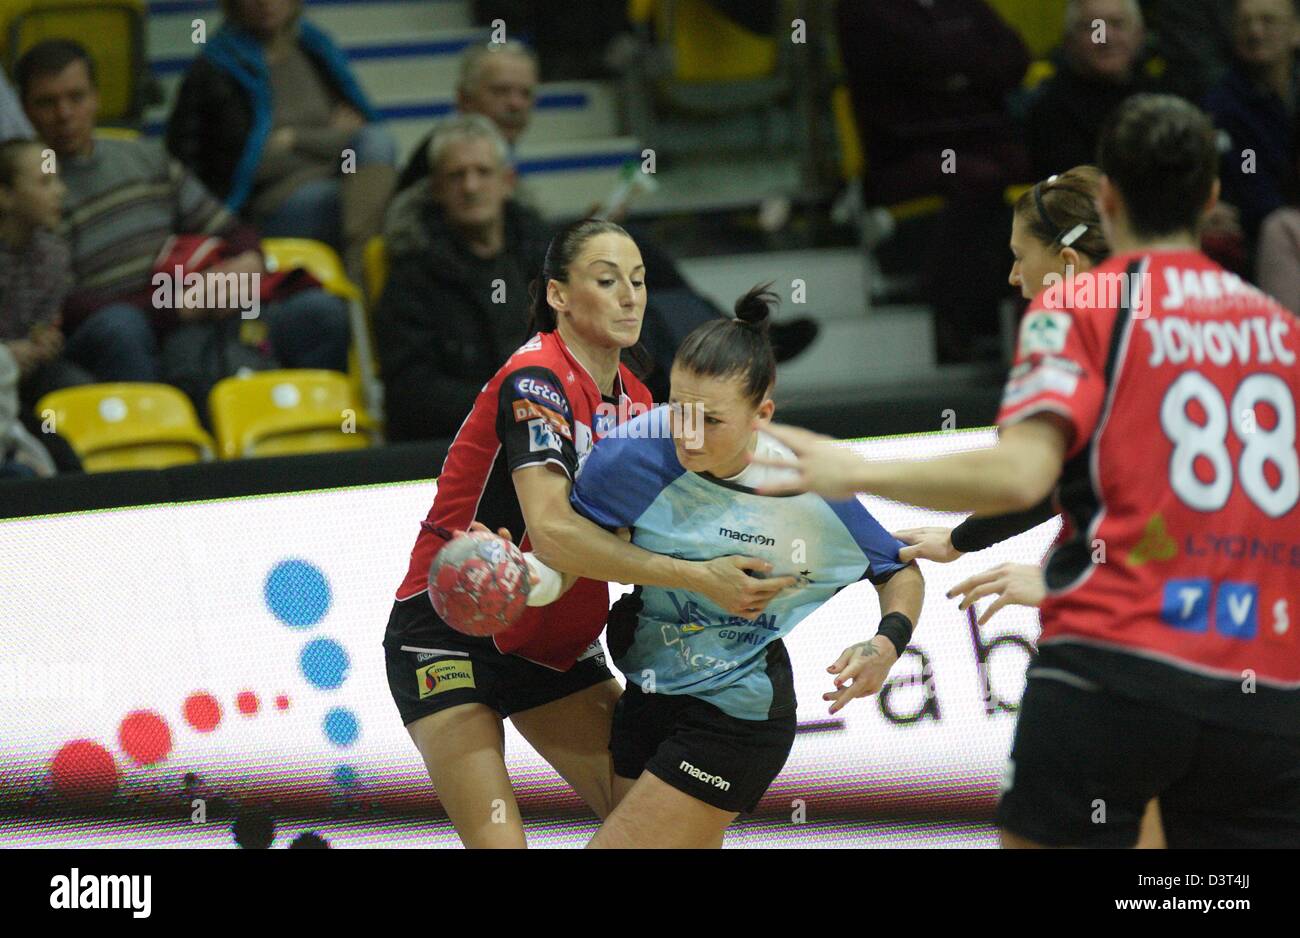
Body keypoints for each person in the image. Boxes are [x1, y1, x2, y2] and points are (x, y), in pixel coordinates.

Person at [752, 94, 1300, 848]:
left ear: (1109, 197)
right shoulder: (1277, 327)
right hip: (1266, 685)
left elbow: (1021, 473)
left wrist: (851, 464)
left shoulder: (1083, 304)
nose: (1015, 277)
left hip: (1120, 671)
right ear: (1211, 197)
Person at [382, 218, 796, 848]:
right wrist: (692, 577)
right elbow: (552, 534)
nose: (630, 296)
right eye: (607, 281)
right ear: (558, 295)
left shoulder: (635, 396)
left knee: (653, 827)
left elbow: (650, 524)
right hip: (449, 634)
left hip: (549, 644)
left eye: (638, 280)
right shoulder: (535, 381)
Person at [562, 286, 924, 848]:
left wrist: (886, 644)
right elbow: (571, 545)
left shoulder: (807, 489)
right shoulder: (628, 457)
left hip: (737, 713)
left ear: (762, 415)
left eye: (710, 419)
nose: (686, 431)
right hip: (648, 690)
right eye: (677, 407)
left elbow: (897, 568)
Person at [894, 164, 1165, 848]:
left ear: (1068, 262)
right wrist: (963, 541)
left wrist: (1066, 581)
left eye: (1022, 259)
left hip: (1124, 643)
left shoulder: (1090, 348)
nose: (1014, 280)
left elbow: (1034, 477)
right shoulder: (1174, 328)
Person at [17, 40, 351, 401]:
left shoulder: (145, 158)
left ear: (96, 98)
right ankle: (157, 443)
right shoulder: (27, 191)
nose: (64, 114)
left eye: (76, 97)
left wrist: (248, 261)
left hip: (194, 307)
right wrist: (171, 308)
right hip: (128, 324)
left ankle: (323, 441)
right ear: (25, 110)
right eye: (47, 103)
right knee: (121, 328)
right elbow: (61, 303)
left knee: (321, 312)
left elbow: (229, 228)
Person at [836, 0, 1030, 364]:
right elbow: (912, 62)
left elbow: (1015, 57)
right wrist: (967, 69)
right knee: (981, 181)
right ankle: (950, 313)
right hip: (904, 152)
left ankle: (1030, 312)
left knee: (1041, 174)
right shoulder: (863, 10)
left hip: (978, 142)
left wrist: (953, 74)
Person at [166, 0, 398, 278]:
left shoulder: (315, 49)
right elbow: (255, 164)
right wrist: (333, 139)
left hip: (345, 173)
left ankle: (357, 271)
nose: (266, 4)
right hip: (271, 204)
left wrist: (294, 138)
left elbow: (358, 136)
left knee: (377, 142)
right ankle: (365, 280)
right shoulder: (215, 70)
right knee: (376, 204)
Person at [374, 115, 551, 442]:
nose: (470, 187)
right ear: (436, 190)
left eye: (483, 172)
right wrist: (509, 405)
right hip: (456, 449)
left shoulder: (548, 259)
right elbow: (410, 394)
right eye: (457, 176)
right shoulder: (411, 277)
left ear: (507, 182)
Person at [0, 138, 82, 471]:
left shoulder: (54, 254)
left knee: (71, 385)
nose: (60, 191)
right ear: (4, 195)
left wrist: (44, 341)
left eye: (59, 179)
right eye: (45, 182)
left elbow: (40, 324)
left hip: (27, 380)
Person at [1203, 0, 1300, 248]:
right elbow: (1253, 192)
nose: (1255, 31)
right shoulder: (1222, 106)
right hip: (1260, 241)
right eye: (1245, 23)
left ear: (1296, 30)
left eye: (1268, 21)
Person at [1025, 0, 1157, 182]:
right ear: (1069, 41)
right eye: (1094, 28)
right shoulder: (1050, 112)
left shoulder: (1162, 97)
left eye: (1117, 24)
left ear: (1140, 34)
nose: (1105, 38)